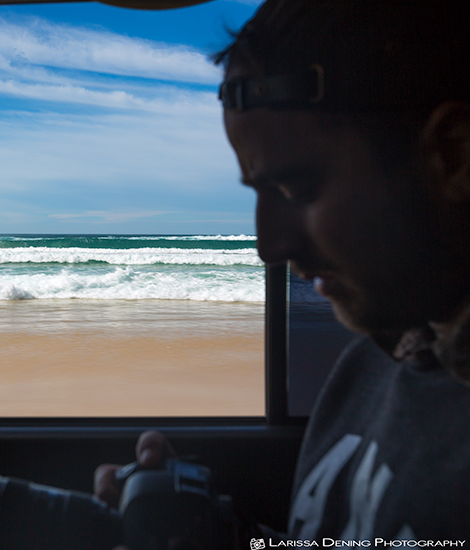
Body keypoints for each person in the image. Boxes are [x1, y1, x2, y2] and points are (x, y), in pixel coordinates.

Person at [95, 0, 470, 544]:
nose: (268, 246)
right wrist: (215, 534)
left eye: (296, 189)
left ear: (454, 155)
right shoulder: (372, 366)